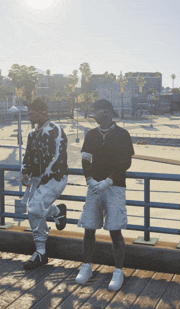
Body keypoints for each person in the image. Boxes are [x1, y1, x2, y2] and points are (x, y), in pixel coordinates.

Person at [75, 99, 134, 291]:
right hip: (93, 187)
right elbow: (85, 159)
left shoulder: (123, 134)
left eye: (97, 110)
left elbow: (126, 163)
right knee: (89, 227)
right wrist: (90, 180)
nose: (94, 113)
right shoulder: (91, 134)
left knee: (115, 230)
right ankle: (86, 267)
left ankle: (118, 271)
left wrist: (108, 181)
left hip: (115, 187)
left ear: (108, 112)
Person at [21, 97, 68, 270]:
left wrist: (45, 176)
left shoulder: (55, 130)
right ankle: (41, 252)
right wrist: (25, 171)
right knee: (33, 213)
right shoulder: (33, 133)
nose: (28, 115)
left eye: (31, 112)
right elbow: (28, 154)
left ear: (42, 113)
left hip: (55, 178)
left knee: (34, 208)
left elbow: (58, 157)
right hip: (37, 179)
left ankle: (57, 211)